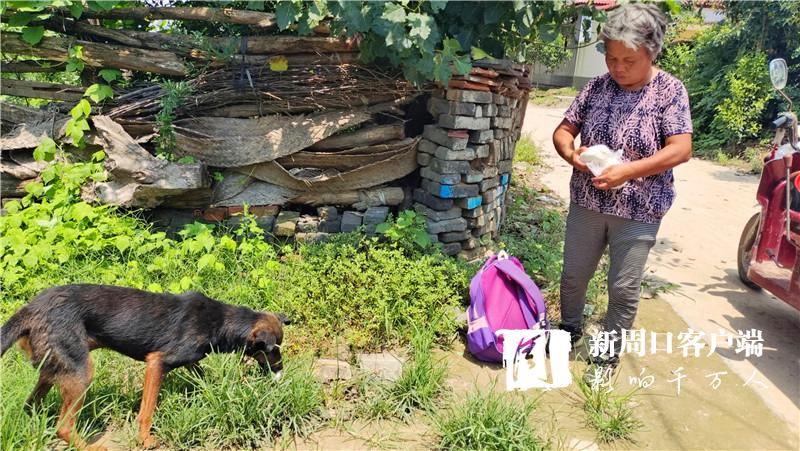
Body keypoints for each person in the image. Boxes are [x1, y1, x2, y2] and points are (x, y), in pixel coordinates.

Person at [551, 3, 693, 373]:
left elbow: (681, 148)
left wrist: (627, 172)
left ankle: (607, 354)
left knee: (623, 286)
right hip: (588, 201)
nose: (618, 68)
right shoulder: (597, 87)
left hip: (639, 208)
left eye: (629, 60)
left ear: (652, 52)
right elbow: (564, 131)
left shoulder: (669, 91)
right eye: (611, 58)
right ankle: (569, 329)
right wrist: (573, 156)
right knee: (573, 275)